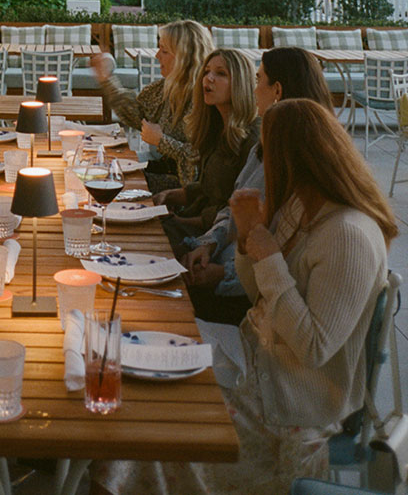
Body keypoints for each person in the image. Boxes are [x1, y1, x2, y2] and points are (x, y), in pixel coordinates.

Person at [92, 98, 398, 495]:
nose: (263, 161)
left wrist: (268, 255)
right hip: (250, 368)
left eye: (269, 150)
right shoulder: (300, 208)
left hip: (289, 415)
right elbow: (260, 296)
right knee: (129, 374)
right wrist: (245, 237)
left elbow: (314, 347)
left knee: (139, 430)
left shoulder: (348, 235)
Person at [181, 47, 334, 324]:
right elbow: (232, 208)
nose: (252, 91)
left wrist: (221, 274)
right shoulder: (265, 145)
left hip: (251, 299)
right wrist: (208, 244)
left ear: (277, 90)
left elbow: (283, 252)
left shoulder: (297, 161)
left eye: (258, 80)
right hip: (230, 270)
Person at [91, 19, 214, 191]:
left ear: (184, 57)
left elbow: (197, 165)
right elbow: (136, 115)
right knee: (100, 169)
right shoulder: (167, 87)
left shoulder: (204, 99)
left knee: (107, 181)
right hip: (159, 167)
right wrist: (106, 79)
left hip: (181, 188)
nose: (157, 56)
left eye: (164, 51)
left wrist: (161, 141)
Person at [156, 48, 259, 246]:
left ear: (241, 83)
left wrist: (179, 222)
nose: (208, 78)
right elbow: (208, 188)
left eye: (220, 73)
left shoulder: (252, 137)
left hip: (218, 239)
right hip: (195, 220)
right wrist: (169, 195)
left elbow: (233, 208)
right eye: (206, 72)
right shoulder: (214, 126)